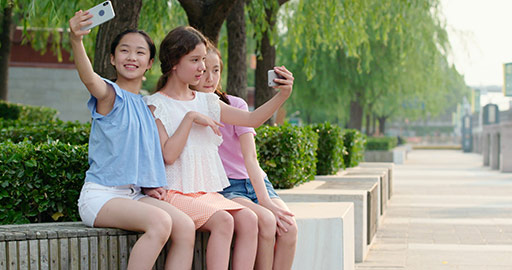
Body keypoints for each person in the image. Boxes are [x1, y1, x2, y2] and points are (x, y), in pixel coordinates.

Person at [144, 26, 294, 270]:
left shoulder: (208, 101)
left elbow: (253, 119)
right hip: (175, 192)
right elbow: (169, 155)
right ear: (173, 62)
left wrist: (283, 96)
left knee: (248, 218)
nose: (202, 67)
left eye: (203, 59)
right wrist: (190, 118)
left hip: (208, 194)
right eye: (195, 60)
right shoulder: (155, 104)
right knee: (225, 220)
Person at [69, 11, 195, 270]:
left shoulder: (147, 106)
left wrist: (149, 185)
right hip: (101, 197)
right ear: (113, 58)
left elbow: (141, 155)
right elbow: (88, 77)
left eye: (140, 53)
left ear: (149, 63)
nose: (132, 57)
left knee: (185, 226)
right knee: (160, 223)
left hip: (134, 196)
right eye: (124, 51)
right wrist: (76, 40)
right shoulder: (109, 95)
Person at [194, 45, 298, 269]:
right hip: (228, 187)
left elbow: (250, 157)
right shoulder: (190, 108)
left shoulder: (235, 104)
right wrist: (265, 205)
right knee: (267, 221)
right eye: (204, 71)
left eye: (216, 70)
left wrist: (265, 200)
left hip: (256, 182)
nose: (210, 78)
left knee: (289, 229)